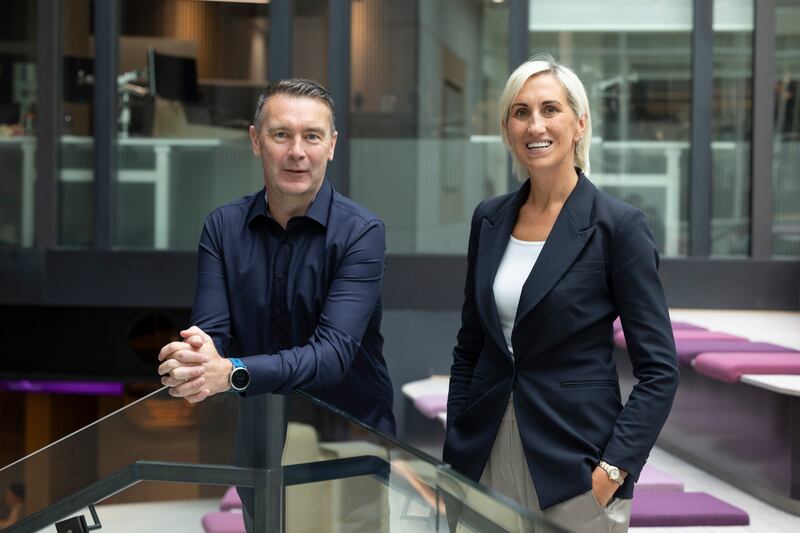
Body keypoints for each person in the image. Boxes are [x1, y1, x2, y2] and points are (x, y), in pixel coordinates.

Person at [442, 55, 679, 533]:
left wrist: (612, 472)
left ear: (579, 124)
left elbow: (659, 371)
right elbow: (470, 347)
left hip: (575, 469)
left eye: (550, 109)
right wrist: (455, 445)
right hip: (481, 459)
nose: (536, 125)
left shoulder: (619, 228)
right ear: (508, 128)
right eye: (520, 112)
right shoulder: (488, 219)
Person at [157, 78, 396, 528]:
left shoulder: (362, 233)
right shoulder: (222, 228)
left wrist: (233, 371)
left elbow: (332, 356)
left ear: (331, 146)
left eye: (312, 136)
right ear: (255, 140)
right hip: (260, 446)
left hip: (347, 447)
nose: (296, 151)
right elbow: (214, 335)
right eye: (281, 134)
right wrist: (194, 359)